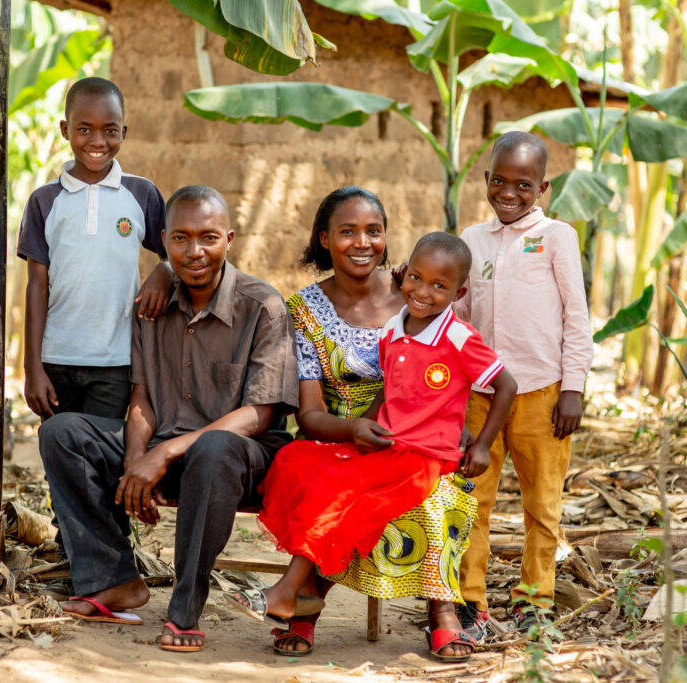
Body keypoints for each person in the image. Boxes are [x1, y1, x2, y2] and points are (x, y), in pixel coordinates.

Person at [227, 230, 518, 663]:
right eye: (416, 279)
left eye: (439, 286)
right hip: (388, 445)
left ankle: (287, 593)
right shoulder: (392, 331)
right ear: (403, 277)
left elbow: (506, 385)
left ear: (458, 293)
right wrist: (365, 424)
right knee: (298, 460)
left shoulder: (457, 337)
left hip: (424, 457)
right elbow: (393, 391)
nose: (423, 292)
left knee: (340, 489)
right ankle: (301, 596)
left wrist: (482, 446)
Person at [38, 185, 300, 653]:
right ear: (164, 240)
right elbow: (142, 398)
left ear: (230, 239)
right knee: (63, 432)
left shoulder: (263, 306)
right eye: (180, 239)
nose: (194, 251)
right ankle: (113, 579)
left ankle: (184, 612)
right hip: (166, 450)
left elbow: (259, 414)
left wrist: (164, 452)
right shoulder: (153, 308)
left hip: (239, 462)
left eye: (208, 237)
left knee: (213, 448)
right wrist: (136, 459)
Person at [454, 131, 594, 638]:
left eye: (523, 184)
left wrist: (573, 387)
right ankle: (468, 600)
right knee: (470, 500)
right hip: (481, 394)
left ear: (543, 187)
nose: (508, 192)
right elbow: (459, 313)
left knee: (542, 503)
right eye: (499, 180)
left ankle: (534, 598)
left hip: (542, 393)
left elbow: (576, 318)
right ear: (486, 179)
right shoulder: (472, 239)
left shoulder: (558, 237)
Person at [16, 76, 172, 422]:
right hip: (57, 359)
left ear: (124, 132)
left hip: (117, 359)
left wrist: (164, 271)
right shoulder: (44, 201)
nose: (98, 141)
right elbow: (37, 285)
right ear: (65, 129)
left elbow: (173, 254)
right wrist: (33, 368)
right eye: (84, 129)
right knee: (61, 446)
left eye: (110, 130)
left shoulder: (141, 194)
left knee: (106, 453)